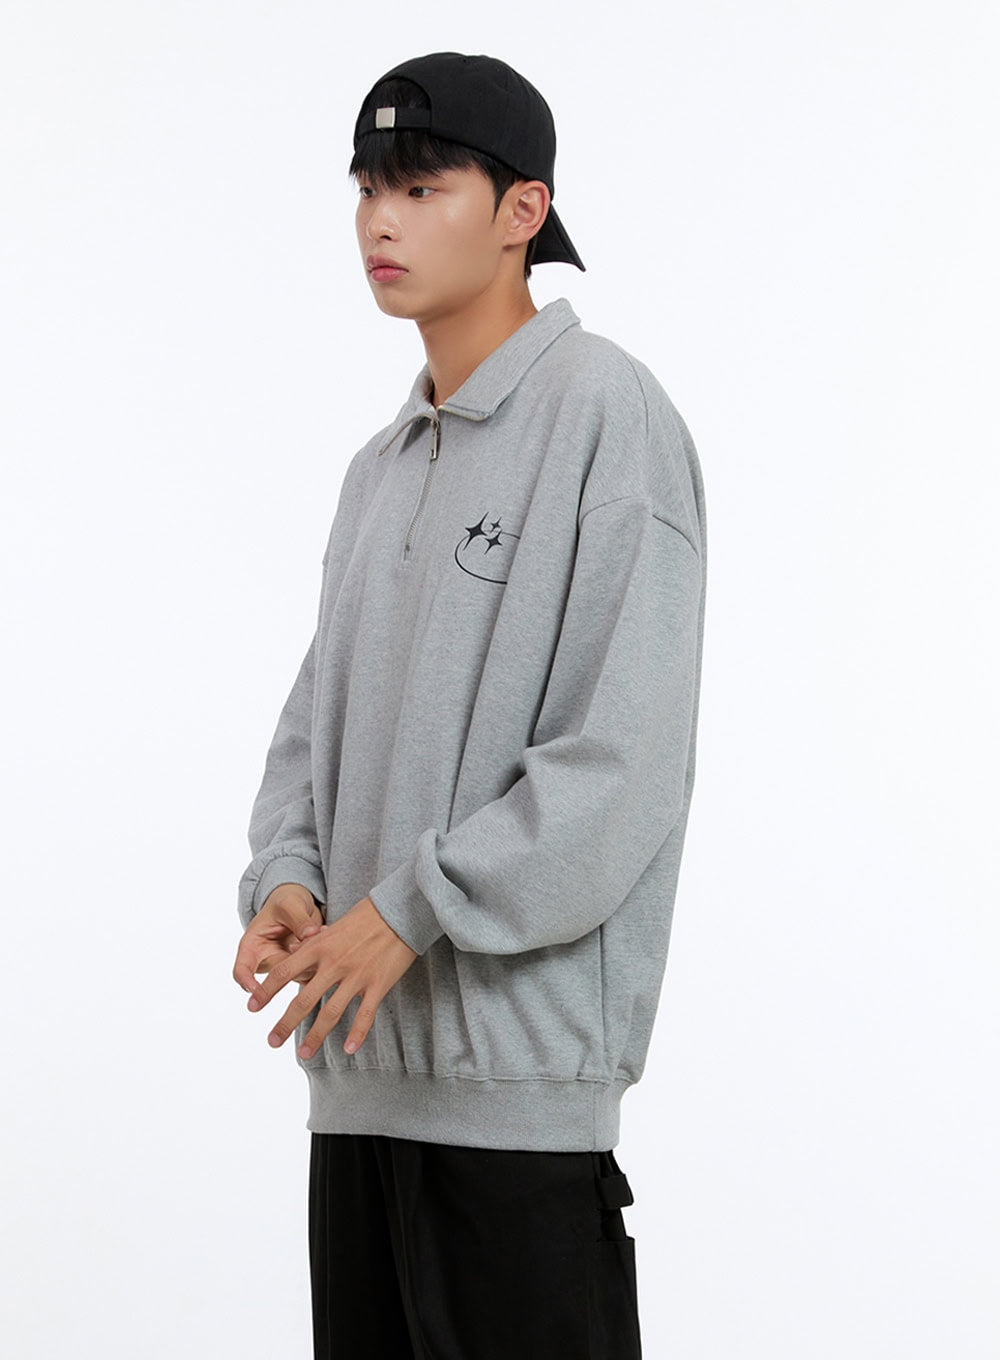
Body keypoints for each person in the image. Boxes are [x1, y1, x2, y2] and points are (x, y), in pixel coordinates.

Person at [232, 50, 707, 1360]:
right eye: (367, 189)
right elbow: (313, 723)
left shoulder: (608, 414)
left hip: (517, 1111)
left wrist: (410, 906)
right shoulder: (377, 470)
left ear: (521, 211)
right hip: (356, 1095)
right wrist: (289, 875)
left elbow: (621, 763)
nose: (380, 221)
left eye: (422, 186)